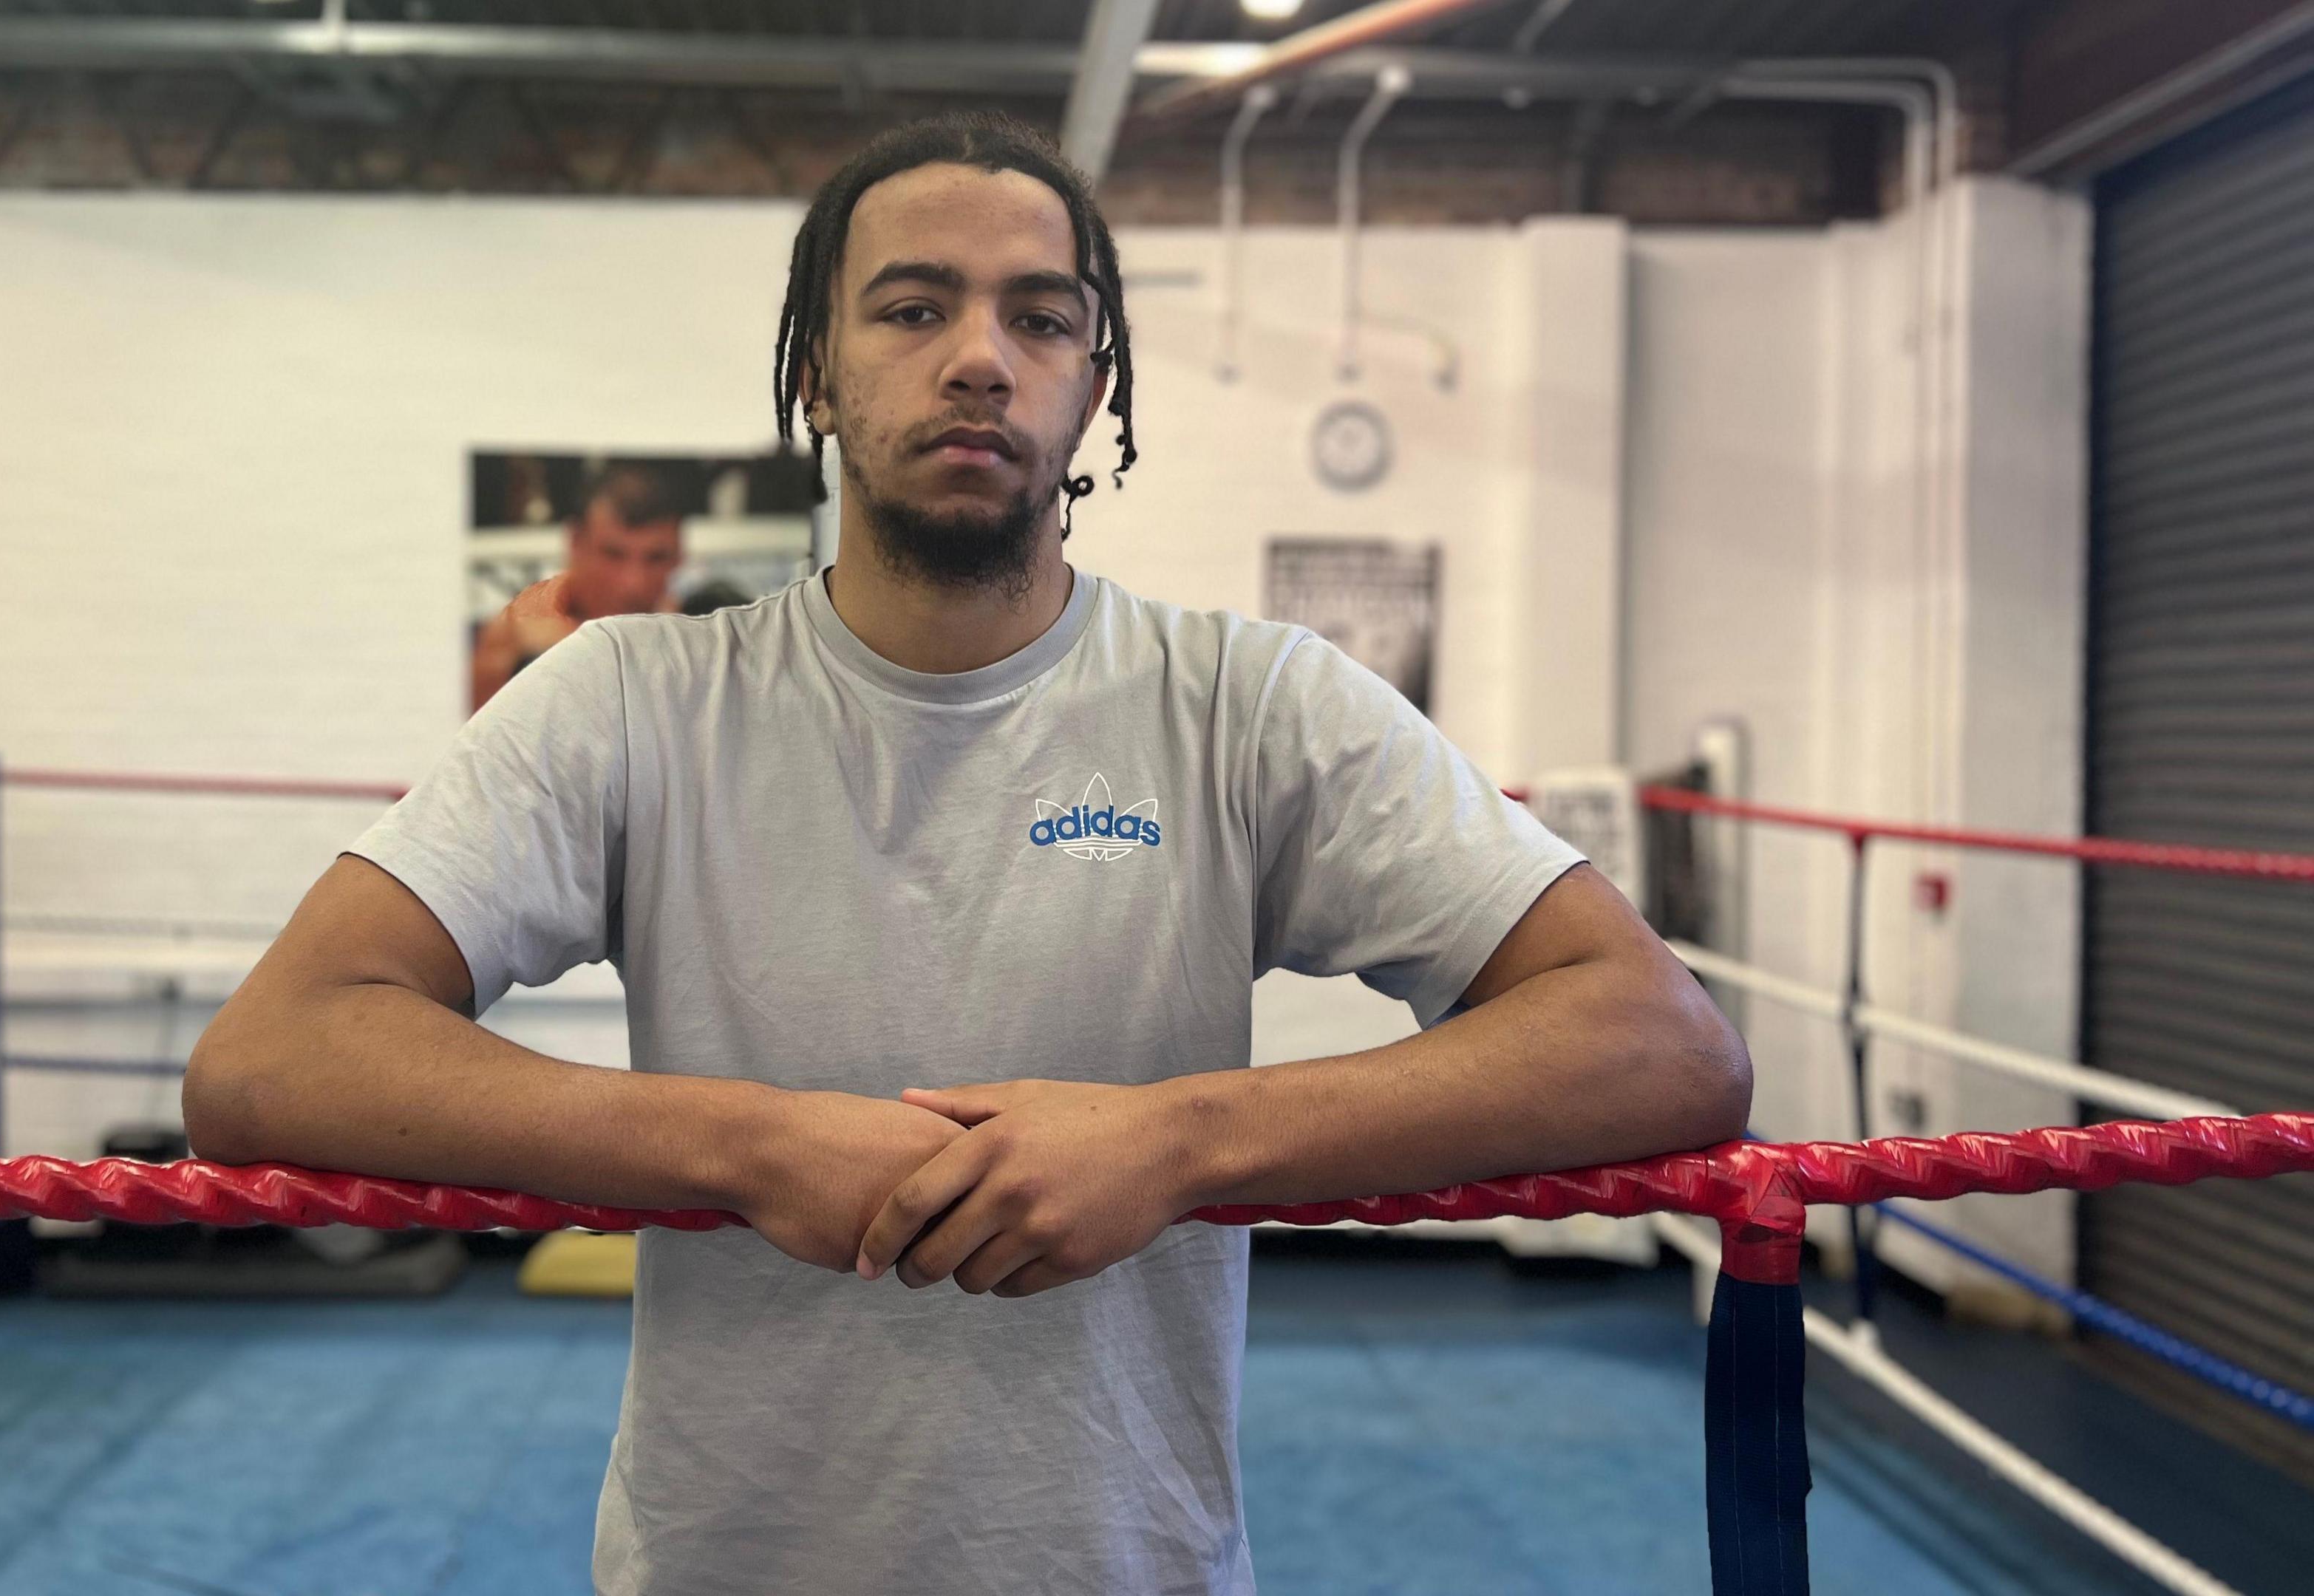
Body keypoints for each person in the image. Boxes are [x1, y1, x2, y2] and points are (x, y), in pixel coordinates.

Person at [186, 111, 1750, 1596]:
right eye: (912, 309)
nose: (981, 362)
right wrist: (746, 1147)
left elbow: (1657, 1041)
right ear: (814, 371)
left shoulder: (1248, 706)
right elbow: (272, 1060)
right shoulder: (635, 700)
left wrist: (1176, 1145)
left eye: (1042, 319)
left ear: (1095, 382)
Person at [469, 463, 685, 709]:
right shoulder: (516, 637)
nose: (632, 582)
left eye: (656, 557)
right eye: (612, 554)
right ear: (575, 542)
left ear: (679, 555)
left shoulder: (698, 636)